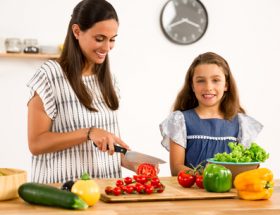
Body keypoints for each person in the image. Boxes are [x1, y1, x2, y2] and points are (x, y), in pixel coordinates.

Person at [27, 0, 138, 183]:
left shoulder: (109, 81)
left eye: (112, 39)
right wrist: (88, 132)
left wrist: (132, 163)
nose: (107, 47)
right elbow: (36, 143)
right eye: (99, 38)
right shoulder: (49, 75)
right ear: (77, 31)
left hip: (104, 191)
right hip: (63, 191)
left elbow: (103, 145)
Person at [159, 52, 263, 176]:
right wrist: (206, 176)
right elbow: (176, 168)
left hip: (229, 193)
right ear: (192, 86)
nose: (208, 87)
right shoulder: (180, 120)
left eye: (215, 80)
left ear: (226, 85)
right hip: (192, 192)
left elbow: (244, 167)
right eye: (201, 81)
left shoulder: (242, 123)